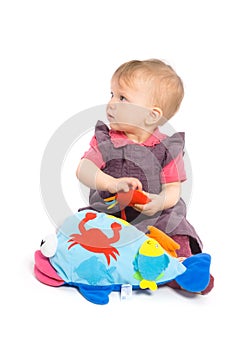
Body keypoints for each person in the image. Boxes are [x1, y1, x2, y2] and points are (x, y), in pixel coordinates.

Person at [76, 59, 214, 294]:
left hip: (153, 213)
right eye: (111, 94)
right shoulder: (106, 140)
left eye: (122, 98)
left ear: (151, 115)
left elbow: (172, 190)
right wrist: (112, 183)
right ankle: (107, 266)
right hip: (112, 210)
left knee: (174, 224)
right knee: (87, 227)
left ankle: (181, 267)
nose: (111, 103)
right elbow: (84, 169)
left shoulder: (167, 148)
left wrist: (158, 202)